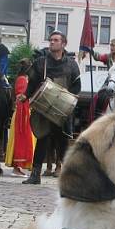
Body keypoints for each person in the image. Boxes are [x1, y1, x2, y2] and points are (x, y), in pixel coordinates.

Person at [22, 30, 81, 185]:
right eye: (51, 40)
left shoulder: (72, 65)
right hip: (44, 109)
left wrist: (68, 99)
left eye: (56, 40)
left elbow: (76, 86)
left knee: (62, 143)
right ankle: (35, 175)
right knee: (42, 139)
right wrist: (25, 95)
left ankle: (69, 177)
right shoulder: (41, 62)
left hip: (62, 110)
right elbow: (33, 82)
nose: (52, 42)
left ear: (63, 44)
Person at [6, 59, 34, 176]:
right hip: (22, 114)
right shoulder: (22, 80)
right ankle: (18, 167)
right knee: (20, 139)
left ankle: (19, 167)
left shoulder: (22, 79)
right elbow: (21, 98)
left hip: (23, 113)